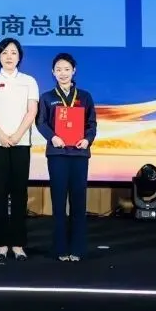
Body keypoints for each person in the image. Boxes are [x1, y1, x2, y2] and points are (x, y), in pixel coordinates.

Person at [0, 37, 39, 261]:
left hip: (21, 143)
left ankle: (19, 243)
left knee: (19, 193)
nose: (9, 56)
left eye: (13, 52)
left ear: (19, 56)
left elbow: (32, 111)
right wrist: (2, 135)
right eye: (4, 52)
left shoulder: (29, 81)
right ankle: (1, 243)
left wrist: (16, 135)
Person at [36, 52, 97, 262]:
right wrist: (53, 137)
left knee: (79, 202)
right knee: (59, 202)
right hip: (58, 154)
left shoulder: (85, 97)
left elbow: (91, 124)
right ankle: (60, 248)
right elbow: (41, 122)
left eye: (67, 69)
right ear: (53, 72)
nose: (63, 73)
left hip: (79, 154)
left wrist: (87, 140)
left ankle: (77, 249)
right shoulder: (47, 97)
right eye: (59, 69)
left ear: (74, 71)